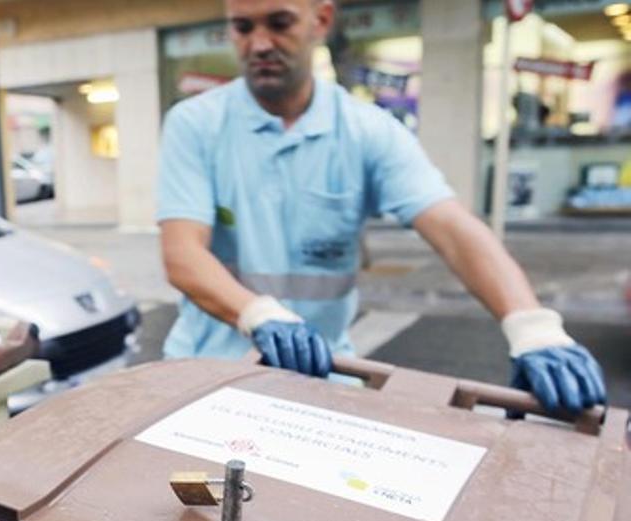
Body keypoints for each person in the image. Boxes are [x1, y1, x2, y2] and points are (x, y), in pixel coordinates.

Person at [157, 0, 606, 415]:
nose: (259, 44)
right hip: (209, 374)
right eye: (242, 27)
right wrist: (258, 315)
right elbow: (183, 256)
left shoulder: (367, 130)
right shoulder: (196, 124)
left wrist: (532, 326)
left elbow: (450, 225)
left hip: (324, 375)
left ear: (322, 20)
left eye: (279, 23)